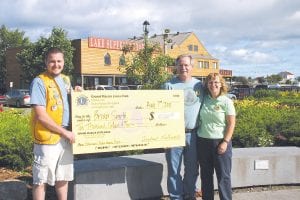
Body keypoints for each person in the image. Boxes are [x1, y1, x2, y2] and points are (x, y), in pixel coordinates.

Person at [30, 47, 80, 200]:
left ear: (64, 62)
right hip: (47, 138)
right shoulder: (39, 81)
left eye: (59, 61)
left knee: (62, 177)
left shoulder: (65, 80)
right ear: (46, 62)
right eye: (52, 61)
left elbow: (68, 103)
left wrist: (77, 92)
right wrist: (64, 132)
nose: (56, 64)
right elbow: (41, 116)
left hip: (65, 137)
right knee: (41, 180)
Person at [163, 54, 203, 200]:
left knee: (192, 170)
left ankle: (189, 195)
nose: (183, 68)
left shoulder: (200, 85)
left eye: (186, 65)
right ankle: (176, 197)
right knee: (174, 170)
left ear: (191, 67)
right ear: (176, 67)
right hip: (173, 134)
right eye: (180, 65)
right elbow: (161, 111)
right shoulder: (168, 85)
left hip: (193, 134)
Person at [197, 73, 236, 200]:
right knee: (206, 176)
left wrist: (225, 142)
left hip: (220, 143)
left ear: (221, 84)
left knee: (223, 177)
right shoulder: (204, 99)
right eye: (210, 82)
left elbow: (231, 124)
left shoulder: (227, 101)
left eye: (216, 82)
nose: (213, 85)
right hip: (203, 142)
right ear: (207, 85)